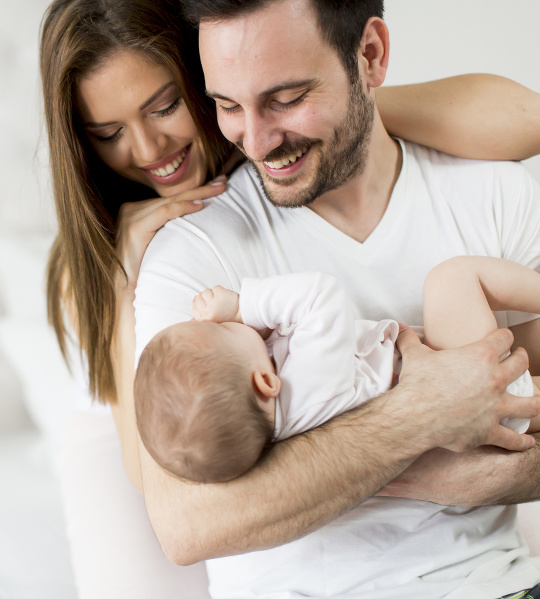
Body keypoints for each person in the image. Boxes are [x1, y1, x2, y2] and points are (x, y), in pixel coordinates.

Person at [39, 0, 540, 596]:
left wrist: (347, 103)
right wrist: (424, 419)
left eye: (167, 106)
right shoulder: (159, 256)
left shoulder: (478, 187)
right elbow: (175, 507)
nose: (148, 150)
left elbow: (524, 117)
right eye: (108, 133)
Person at [134, 260, 540, 485]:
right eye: (222, 332)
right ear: (264, 382)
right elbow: (321, 296)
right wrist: (244, 307)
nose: (224, 324)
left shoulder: (286, 424)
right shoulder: (307, 385)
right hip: (470, 393)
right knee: (450, 279)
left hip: (459, 395)